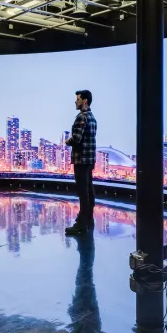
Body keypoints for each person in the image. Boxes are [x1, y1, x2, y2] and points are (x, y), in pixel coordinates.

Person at [65, 90, 97, 235]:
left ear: (85, 101)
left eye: (78, 99)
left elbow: (76, 139)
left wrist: (68, 141)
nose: (75, 102)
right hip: (90, 160)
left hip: (81, 160)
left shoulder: (81, 118)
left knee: (82, 192)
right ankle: (89, 219)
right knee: (89, 189)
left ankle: (81, 224)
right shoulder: (92, 117)